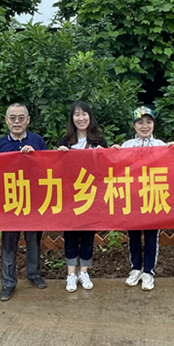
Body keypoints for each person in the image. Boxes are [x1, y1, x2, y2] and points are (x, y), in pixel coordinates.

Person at [113, 106, 174, 291]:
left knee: (151, 236)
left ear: (154, 124)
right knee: (133, 235)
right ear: (134, 125)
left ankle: (148, 271)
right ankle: (135, 268)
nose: (144, 126)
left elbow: (172, 167)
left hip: (153, 196)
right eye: (140, 122)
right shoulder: (126, 146)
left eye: (148, 122)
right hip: (132, 198)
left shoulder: (161, 145)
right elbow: (115, 167)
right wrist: (112, 153)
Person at [0, 103, 48, 301]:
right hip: (9, 202)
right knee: (9, 243)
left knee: (33, 240)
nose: (17, 122)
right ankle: (8, 283)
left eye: (21, 118)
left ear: (28, 120)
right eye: (13, 118)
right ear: (6, 120)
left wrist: (36, 156)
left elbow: (49, 169)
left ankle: (34, 274)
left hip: (33, 201)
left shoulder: (37, 141)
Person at [56, 101, 108, 292]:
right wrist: (60, 156)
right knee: (70, 234)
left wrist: (104, 155)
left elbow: (107, 169)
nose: (81, 118)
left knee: (88, 235)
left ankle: (84, 272)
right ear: (72, 118)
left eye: (84, 114)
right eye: (77, 114)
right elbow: (56, 171)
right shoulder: (65, 141)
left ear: (90, 117)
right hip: (70, 197)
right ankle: (71, 274)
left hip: (91, 196)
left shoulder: (99, 141)